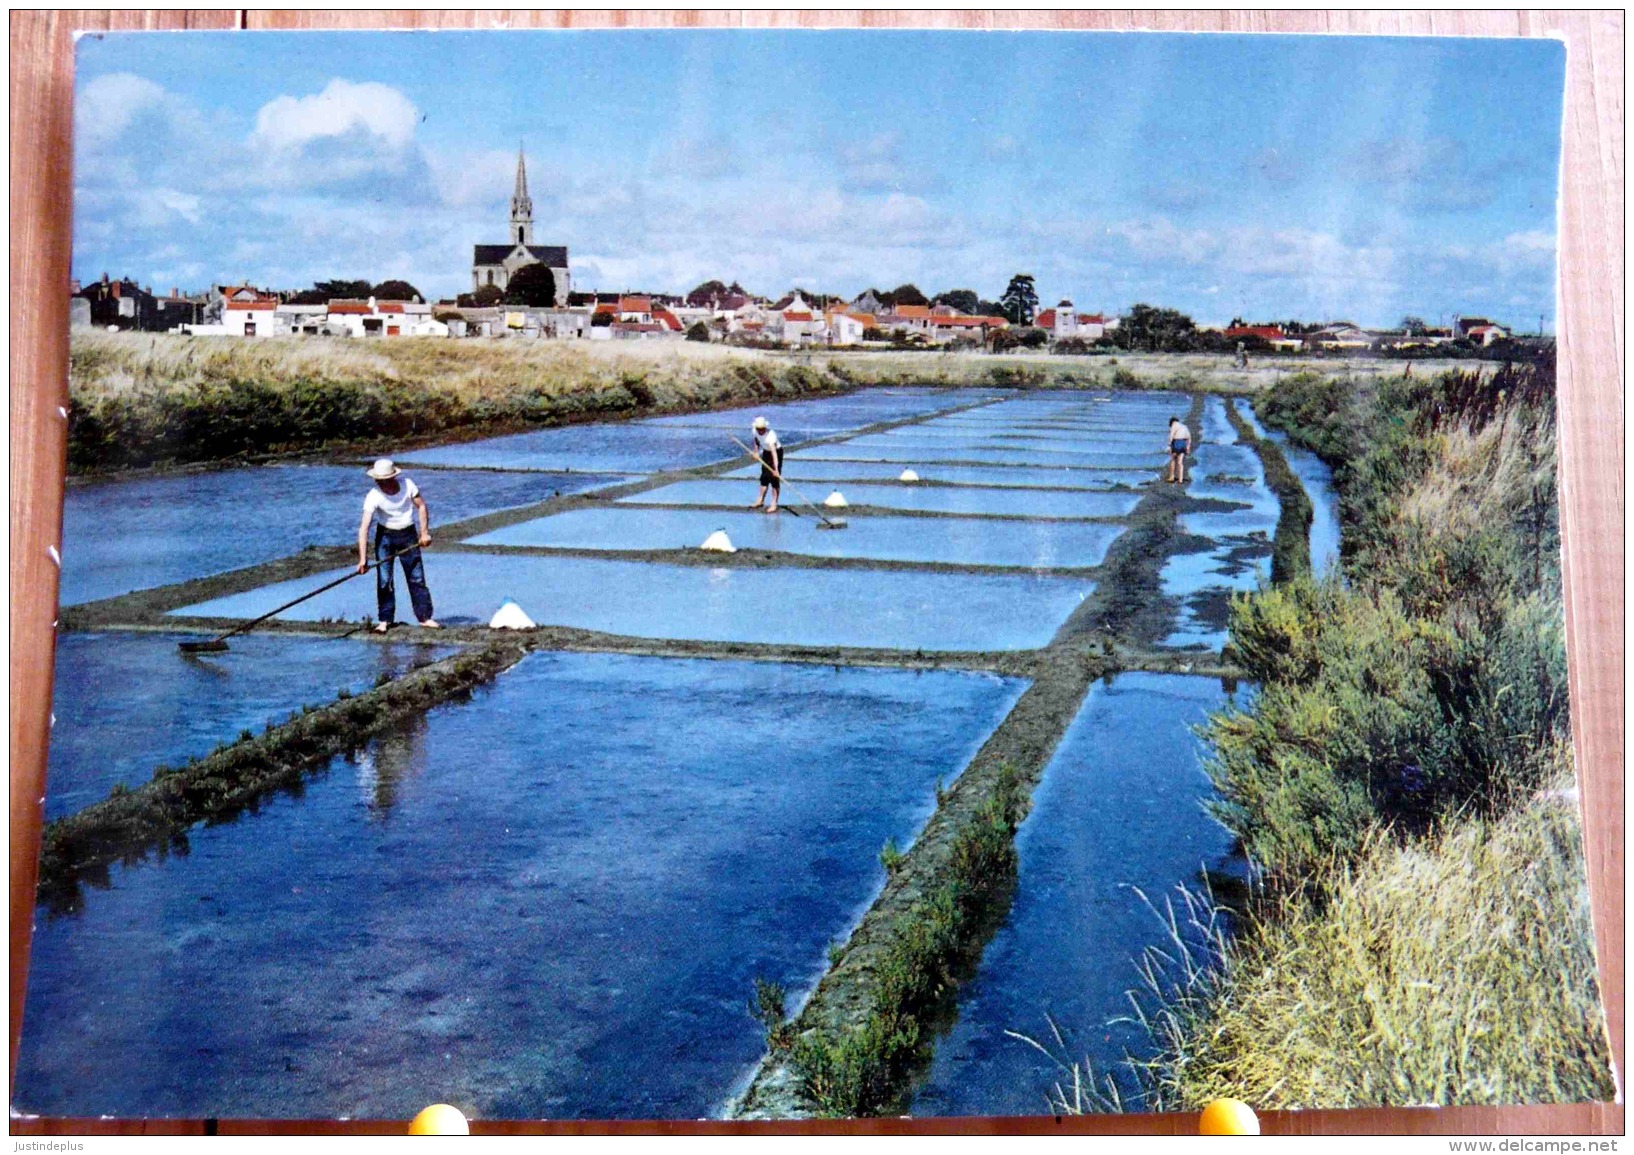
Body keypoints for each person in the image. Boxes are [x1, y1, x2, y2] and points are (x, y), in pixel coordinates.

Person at [357, 458, 439, 632]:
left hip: (408, 533)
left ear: (393, 477)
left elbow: (422, 507)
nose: (381, 483)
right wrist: (363, 559)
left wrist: (424, 533)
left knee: (416, 577)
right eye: (379, 480)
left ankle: (425, 617)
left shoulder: (408, 485)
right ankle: (385, 620)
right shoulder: (373, 495)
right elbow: (364, 528)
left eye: (385, 480)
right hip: (385, 536)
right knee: (385, 579)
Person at [749, 416, 783, 514]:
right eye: (759, 429)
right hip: (766, 452)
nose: (760, 431)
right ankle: (760, 500)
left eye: (762, 429)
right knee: (764, 477)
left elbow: (774, 453)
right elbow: (756, 440)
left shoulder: (771, 436)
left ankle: (773, 504)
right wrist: (756, 452)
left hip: (776, 452)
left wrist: (776, 469)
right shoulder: (755, 431)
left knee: (774, 479)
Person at [1165, 415, 1192, 484]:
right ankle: (1180, 479)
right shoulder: (1184, 426)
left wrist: (1169, 445)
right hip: (1183, 443)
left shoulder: (1174, 425)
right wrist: (1188, 447)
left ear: (1171, 422)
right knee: (1180, 462)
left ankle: (1172, 477)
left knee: (1173, 459)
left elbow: (1171, 435)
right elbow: (1189, 438)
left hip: (1177, 442)